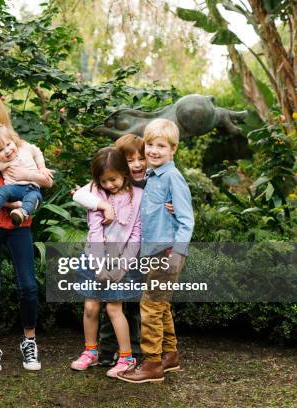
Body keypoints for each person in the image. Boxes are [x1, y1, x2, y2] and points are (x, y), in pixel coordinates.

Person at [0, 93, 53, 372]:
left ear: (2, 114)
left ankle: (29, 341)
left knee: (28, 284)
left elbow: (45, 180)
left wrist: (30, 186)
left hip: (19, 224)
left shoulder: (17, 145)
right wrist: (10, 201)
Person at [118, 118, 194, 384]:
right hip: (154, 252)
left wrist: (178, 254)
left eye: (161, 146)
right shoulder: (151, 176)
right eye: (150, 144)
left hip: (167, 252)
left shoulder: (172, 177)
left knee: (149, 306)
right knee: (161, 305)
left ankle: (151, 363)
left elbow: (187, 220)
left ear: (173, 149)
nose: (153, 151)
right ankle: (170, 355)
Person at [70, 147, 142, 378]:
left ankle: (126, 357)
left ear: (124, 173)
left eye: (113, 179)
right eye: (104, 181)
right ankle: (90, 352)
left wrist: (122, 266)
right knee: (91, 307)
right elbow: (94, 232)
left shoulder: (139, 197)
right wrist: (99, 265)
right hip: (95, 258)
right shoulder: (96, 194)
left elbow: (136, 235)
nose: (109, 185)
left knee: (114, 308)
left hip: (122, 261)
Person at [0, 124, 52, 227]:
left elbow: (37, 152)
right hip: (14, 188)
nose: (7, 151)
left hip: (33, 188)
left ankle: (21, 213)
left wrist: (42, 167)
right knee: (3, 190)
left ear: (13, 140)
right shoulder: (0, 162)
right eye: (0, 150)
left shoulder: (25, 148)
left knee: (34, 198)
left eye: (8, 144)